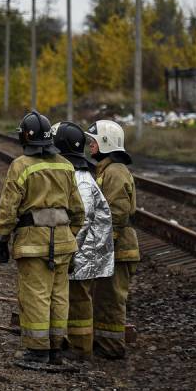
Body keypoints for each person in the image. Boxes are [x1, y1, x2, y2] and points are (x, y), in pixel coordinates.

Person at [0, 111, 85, 368]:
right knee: (58, 295)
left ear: (24, 137)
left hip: (33, 243)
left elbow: (8, 209)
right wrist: (71, 237)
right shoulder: (66, 165)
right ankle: (55, 349)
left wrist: (0, 239)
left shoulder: (21, 166)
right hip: (64, 242)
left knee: (36, 295)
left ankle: (36, 351)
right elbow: (78, 210)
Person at [51, 121, 114, 359]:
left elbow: (83, 218)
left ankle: (80, 349)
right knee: (70, 297)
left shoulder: (81, 178)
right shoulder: (74, 173)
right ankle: (71, 343)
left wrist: (71, 250)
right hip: (78, 248)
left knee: (78, 300)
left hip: (82, 251)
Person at [84, 120, 139, 359]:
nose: (90, 145)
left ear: (106, 142)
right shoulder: (106, 169)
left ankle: (112, 348)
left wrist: (105, 245)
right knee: (103, 297)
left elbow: (116, 211)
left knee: (111, 300)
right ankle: (103, 343)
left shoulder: (115, 172)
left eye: (93, 141)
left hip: (118, 248)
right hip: (112, 247)